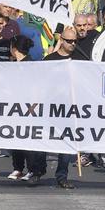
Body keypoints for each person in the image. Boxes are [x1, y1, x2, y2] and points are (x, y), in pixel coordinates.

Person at [40, 30, 81, 188]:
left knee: (66, 143)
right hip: (51, 106)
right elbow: (41, 83)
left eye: (74, 41)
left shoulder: (80, 59)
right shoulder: (50, 60)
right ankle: (38, 170)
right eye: (69, 41)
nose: (73, 44)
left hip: (71, 108)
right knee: (43, 140)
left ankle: (62, 176)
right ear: (61, 40)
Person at [7, 35, 48, 185]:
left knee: (30, 140)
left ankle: (34, 169)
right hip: (15, 107)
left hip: (30, 108)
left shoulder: (31, 65)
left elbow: (37, 87)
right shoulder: (13, 65)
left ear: (14, 48)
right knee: (16, 138)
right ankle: (18, 168)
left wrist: (33, 106)